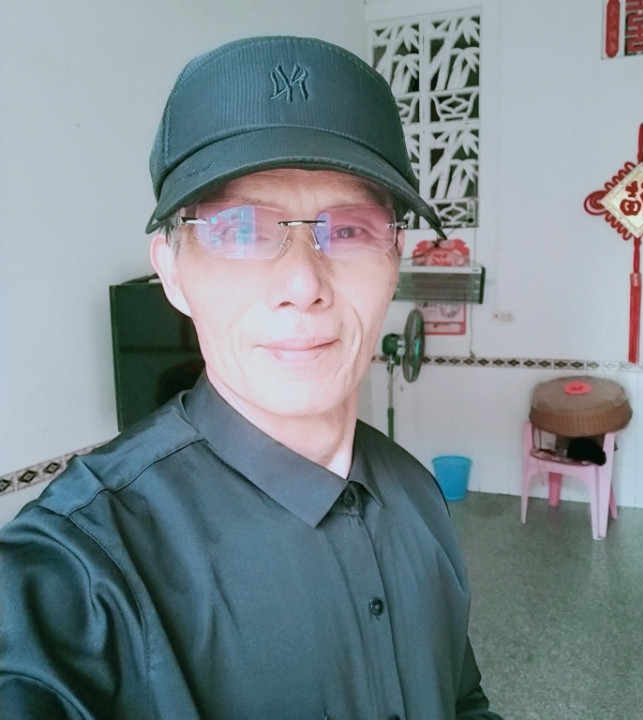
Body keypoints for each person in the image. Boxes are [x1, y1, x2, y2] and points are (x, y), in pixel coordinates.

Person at [0, 36, 504, 720]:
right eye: (238, 229)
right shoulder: (81, 569)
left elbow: (462, 701)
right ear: (171, 272)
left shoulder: (416, 494)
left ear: (395, 263)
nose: (302, 284)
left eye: (349, 230)